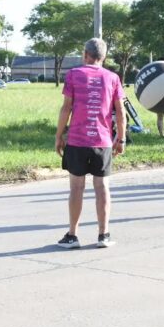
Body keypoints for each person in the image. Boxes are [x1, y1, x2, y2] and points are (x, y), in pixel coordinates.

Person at [54, 37, 125, 249]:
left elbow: (66, 108)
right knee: (102, 187)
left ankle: (72, 236)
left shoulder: (74, 75)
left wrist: (59, 135)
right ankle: (103, 235)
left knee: (76, 187)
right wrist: (120, 138)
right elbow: (120, 112)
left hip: (76, 140)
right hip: (102, 142)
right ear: (103, 57)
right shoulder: (113, 78)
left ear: (85, 54)